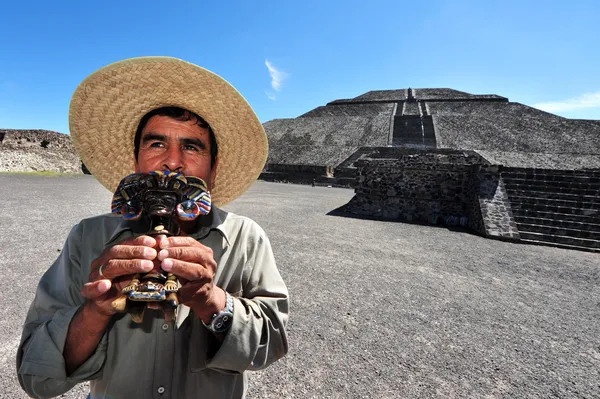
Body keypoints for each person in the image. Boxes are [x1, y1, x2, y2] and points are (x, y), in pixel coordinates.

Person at [16, 57, 289, 399]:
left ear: (214, 168)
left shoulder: (246, 239)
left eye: (191, 146)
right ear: (135, 161)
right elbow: (37, 380)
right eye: (156, 143)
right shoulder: (87, 238)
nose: (172, 162)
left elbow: (273, 343)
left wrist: (212, 302)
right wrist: (96, 311)